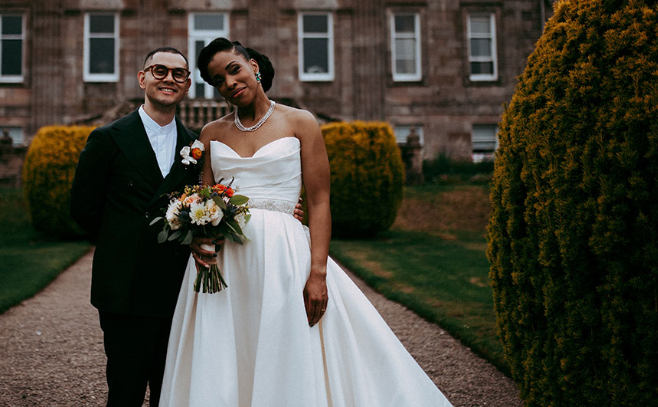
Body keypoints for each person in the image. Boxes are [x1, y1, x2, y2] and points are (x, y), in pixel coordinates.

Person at [159, 38, 453, 407]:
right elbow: (203, 197)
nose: (230, 83)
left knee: (286, 345)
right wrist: (197, 238)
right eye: (218, 80)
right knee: (225, 350)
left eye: (234, 69)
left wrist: (317, 273)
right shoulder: (211, 134)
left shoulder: (300, 121)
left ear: (253, 66)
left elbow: (319, 200)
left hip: (285, 258)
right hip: (226, 263)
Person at [70, 47, 199, 407]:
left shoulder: (196, 145)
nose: (169, 79)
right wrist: (123, 243)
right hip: (124, 287)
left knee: (170, 390)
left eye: (178, 74)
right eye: (160, 70)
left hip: (176, 286)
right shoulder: (107, 138)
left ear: (187, 85)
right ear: (142, 78)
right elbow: (83, 208)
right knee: (125, 390)